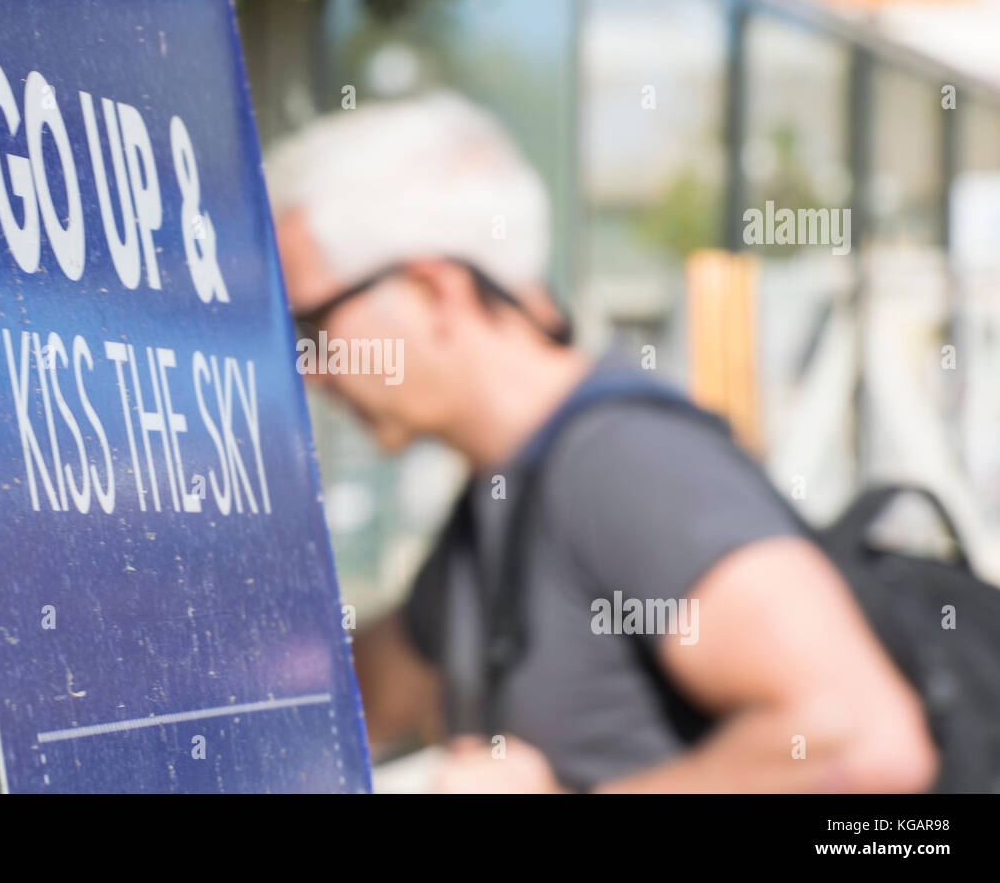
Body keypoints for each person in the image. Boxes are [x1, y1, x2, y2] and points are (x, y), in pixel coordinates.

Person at [262, 91, 938, 793]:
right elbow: (359, 692)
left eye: (311, 327)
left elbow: (862, 744)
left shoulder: (626, 465)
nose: (309, 371)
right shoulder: (502, 491)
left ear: (436, 292)